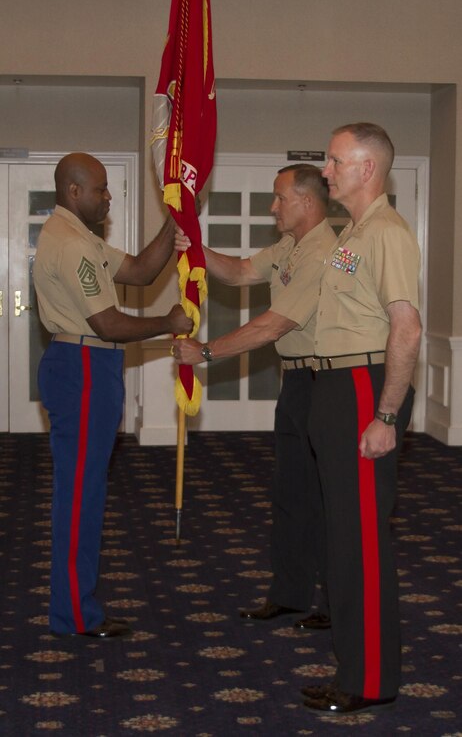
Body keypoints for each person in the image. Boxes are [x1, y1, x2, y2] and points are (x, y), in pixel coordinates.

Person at [33, 152, 192, 639]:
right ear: (73, 191)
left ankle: (75, 607)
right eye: (100, 189)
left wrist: (176, 217)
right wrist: (168, 324)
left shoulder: (81, 237)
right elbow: (109, 323)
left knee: (86, 491)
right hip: (82, 367)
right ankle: (74, 615)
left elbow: (143, 270)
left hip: (90, 366)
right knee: (80, 495)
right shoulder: (71, 244)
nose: (108, 197)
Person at [172, 164, 336, 629]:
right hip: (298, 383)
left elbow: (274, 324)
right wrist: (197, 249)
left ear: (306, 201)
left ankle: (334, 602)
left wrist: (205, 351)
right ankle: (289, 594)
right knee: (289, 492)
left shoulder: (324, 251)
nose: (272, 207)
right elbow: (243, 272)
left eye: (280, 198)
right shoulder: (291, 245)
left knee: (325, 498)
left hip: (328, 386)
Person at [301, 124, 422, 715]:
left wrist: (386, 415)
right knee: (342, 538)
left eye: (335, 160)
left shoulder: (388, 233)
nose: (326, 170)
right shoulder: (355, 232)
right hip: (336, 385)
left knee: (362, 544)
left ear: (367, 168)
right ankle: (355, 665)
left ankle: (370, 681)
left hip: (362, 389)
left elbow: (408, 327)